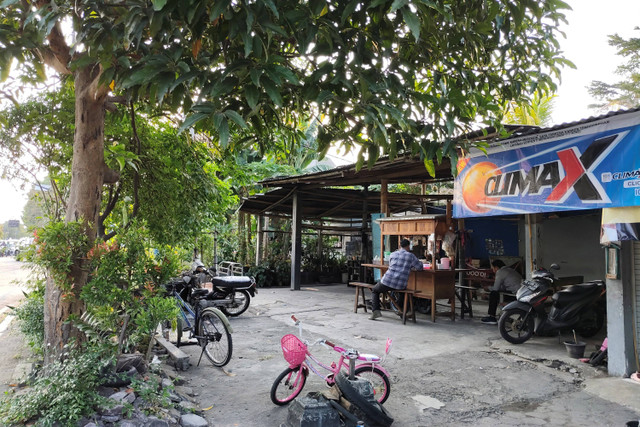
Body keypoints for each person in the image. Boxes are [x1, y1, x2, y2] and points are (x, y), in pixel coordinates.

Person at [370, 239, 423, 320]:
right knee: (404, 293)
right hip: (400, 285)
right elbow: (420, 268)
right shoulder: (411, 256)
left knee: (375, 290)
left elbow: (392, 265)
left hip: (387, 281)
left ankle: (376, 311)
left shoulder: (393, 254)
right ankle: (401, 310)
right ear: (408, 246)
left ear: (400, 246)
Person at [481, 259, 522, 325]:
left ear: (496, 268)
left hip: (514, 295)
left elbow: (495, 288)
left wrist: (487, 288)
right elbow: (503, 287)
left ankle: (492, 317)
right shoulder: (511, 270)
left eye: (493, 268)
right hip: (520, 293)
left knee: (493, 294)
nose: (493, 270)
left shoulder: (500, 272)